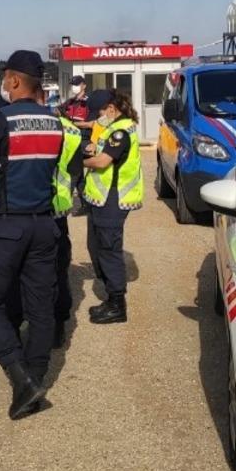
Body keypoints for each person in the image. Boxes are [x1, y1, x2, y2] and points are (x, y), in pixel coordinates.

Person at [0, 50, 63, 420]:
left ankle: (20, 377)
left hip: (7, 226)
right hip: (44, 225)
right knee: (40, 307)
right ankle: (35, 379)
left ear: (16, 81)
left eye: (6, 78)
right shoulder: (54, 123)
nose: (4, 84)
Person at [81, 88, 144, 325]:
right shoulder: (112, 128)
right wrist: (89, 148)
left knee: (109, 249)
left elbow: (102, 161)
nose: (97, 117)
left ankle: (117, 305)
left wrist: (78, 163)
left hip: (113, 199)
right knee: (98, 246)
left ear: (111, 108)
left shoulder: (120, 132)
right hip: (104, 198)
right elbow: (99, 151)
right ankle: (111, 298)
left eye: (99, 111)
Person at [51, 112, 84, 347]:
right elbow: (75, 172)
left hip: (23, 211)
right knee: (58, 269)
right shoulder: (71, 131)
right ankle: (57, 326)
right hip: (58, 209)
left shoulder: (11, 122)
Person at [60, 76, 92, 213]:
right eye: (72, 85)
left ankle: (65, 203)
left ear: (83, 86)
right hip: (70, 141)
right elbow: (58, 111)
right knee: (78, 176)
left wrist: (73, 123)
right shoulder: (70, 102)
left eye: (76, 84)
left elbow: (92, 123)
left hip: (83, 140)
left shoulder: (89, 103)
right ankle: (86, 205)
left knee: (74, 172)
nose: (74, 87)